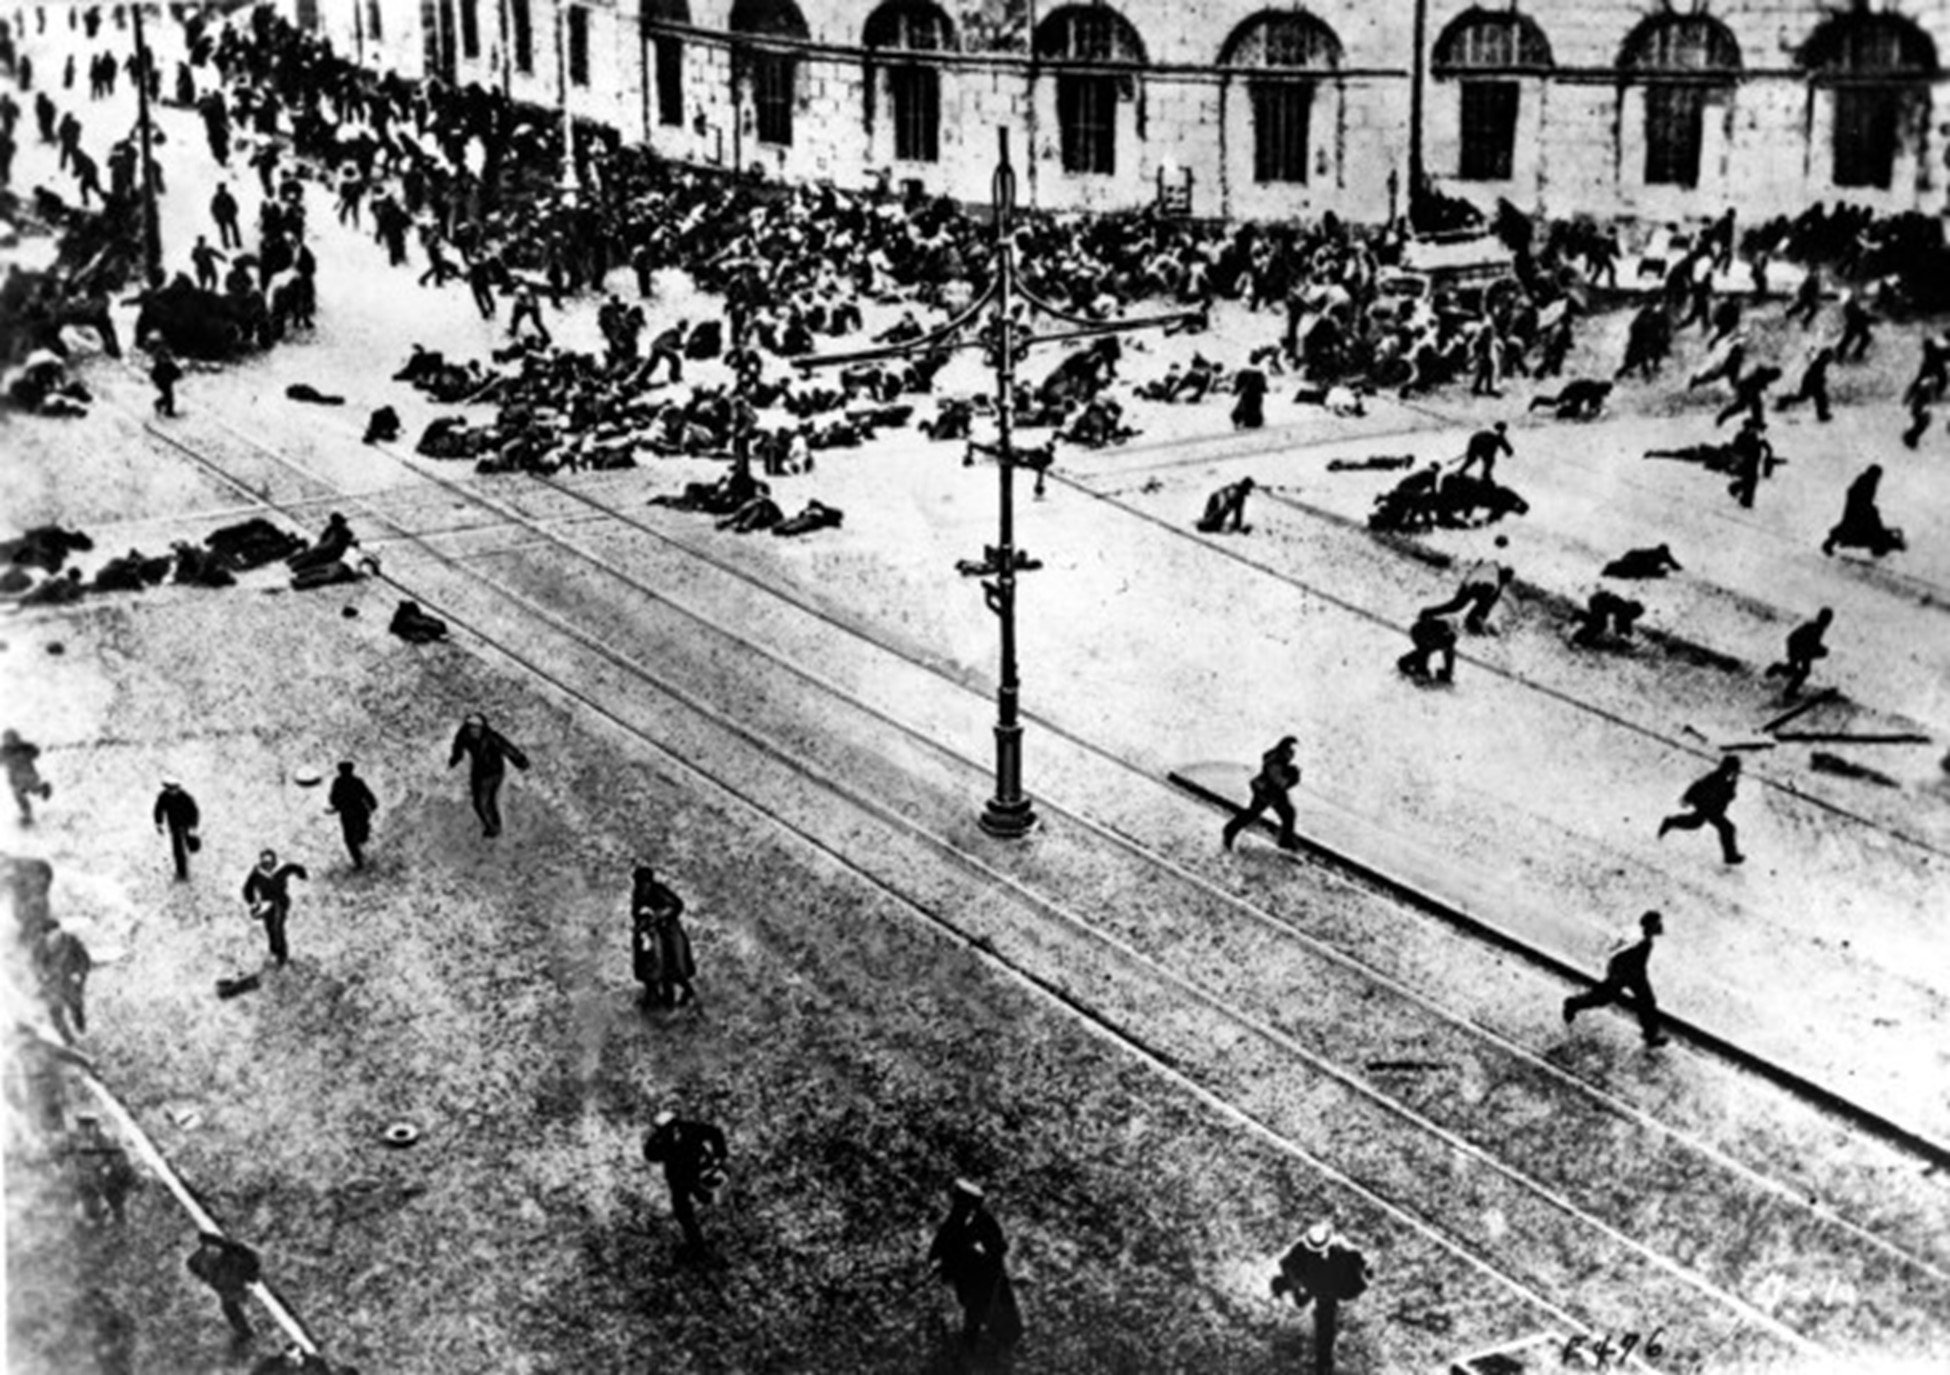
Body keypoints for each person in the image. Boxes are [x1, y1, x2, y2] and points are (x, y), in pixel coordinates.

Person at [928, 1179, 1024, 1356]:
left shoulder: (984, 1221)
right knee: (974, 1319)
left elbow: (999, 1248)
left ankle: (981, 1351)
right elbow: (935, 1253)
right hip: (968, 1284)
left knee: (1003, 1328)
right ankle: (969, 1353)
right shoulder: (952, 1224)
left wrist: (977, 1254)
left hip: (990, 1283)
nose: (961, 1207)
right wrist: (943, 1264)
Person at [1271, 1220, 1372, 1375]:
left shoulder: (1338, 1249)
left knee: (1326, 1319)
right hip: (1322, 1288)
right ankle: (1324, 1362)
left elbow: (1357, 1260)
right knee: (1325, 1320)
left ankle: (1324, 1362)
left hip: (1331, 1285)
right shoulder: (1298, 1257)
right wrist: (1298, 1286)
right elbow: (1300, 1296)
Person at [1564, 910, 1670, 1047]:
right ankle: (1573, 1004)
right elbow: (1619, 956)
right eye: (1657, 923)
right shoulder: (1641, 941)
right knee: (1605, 998)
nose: (1660, 926)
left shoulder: (1642, 938)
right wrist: (1616, 974)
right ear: (1650, 925)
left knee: (1646, 1002)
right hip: (1625, 974)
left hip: (1633, 974)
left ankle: (1650, 1035)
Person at [641, 1110, 728, 1255]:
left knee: (702, 1197)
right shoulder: (663, 1139)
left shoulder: (690, 1129)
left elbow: (714, 1133)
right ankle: (697, 1245)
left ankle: (714, 1219)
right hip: (679, 1177)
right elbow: (650, 1154)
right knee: (682, 1210)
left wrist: (719, 1155)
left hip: (696, 1171)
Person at [448, 713, 530, 838]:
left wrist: (521, 761)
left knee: (484, 802)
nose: (473, 731)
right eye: (471, 728)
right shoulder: (463, 735)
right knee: (478, 804)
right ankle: (493, 827)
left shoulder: (492, 737)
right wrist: (454, 760)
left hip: (494, 771)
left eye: (476, 728)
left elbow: (508, 749)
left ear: (482, 728)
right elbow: (457, 748)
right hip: (478, 772)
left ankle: (494, 829)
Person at [1657, 756, 1745, 865]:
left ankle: (1670, 822)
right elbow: (1698, 786)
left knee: (1697, 823)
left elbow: (1729, 796)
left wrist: (1733, 783)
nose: (1735, 772)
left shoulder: (1727, 779)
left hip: (1712, 808)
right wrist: (1687, 798)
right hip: (1707, 806)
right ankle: (1730, 856)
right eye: (1734, 769)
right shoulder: (1716, 777)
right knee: (1726, 828)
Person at [1222, 735, 1302, 853]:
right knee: (1256, 813)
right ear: (1284, 749)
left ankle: (1285, 840)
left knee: (1288, 814)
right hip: (1268, 793)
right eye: (1291, 751)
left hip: (1272, 792)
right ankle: (1230, 829)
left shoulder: (1279, 760)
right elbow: (1279, 782)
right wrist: (1293, 777)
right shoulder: (1276, 762)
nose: (1292, 754)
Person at [631, 864, 696, 1007]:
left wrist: (658, 915)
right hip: (650, 936)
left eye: (644, 882)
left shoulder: (658, 891)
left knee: (671, 969)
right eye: (640, 882)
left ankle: (678, 996)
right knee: (650, 968)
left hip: (668, 934)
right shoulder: (638, 893)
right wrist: (643, 922)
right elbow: (636, 913)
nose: (642, 886)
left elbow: (677, 905)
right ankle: (653, 999)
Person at [186, 1232, 260, 1353]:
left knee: (230, 1305)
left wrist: (250, 1278)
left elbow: (251, 1265)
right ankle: (245, 1334)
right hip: (227, 1285)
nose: (212, 1250)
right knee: (229, 1306)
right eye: (209, 1248)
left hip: (232, 1284)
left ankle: (246, 1333)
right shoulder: (200, 1260)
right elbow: (195, 1267)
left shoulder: (234, 1255)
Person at [1423, 537, 1513, 634]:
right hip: (1469, 586)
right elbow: (1473, 576)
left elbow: (1492, 601)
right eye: (1503, 580)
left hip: (1480, 589)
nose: (1502, 583)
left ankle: (1473, 621)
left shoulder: (1499, 583)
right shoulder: (1490, 569)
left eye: (1505, 582)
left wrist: (1482, 614)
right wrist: (1466, 588)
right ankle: (1427, 613)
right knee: (1456, 606)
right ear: (1501, 573)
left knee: (1489, 600)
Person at [242, 849, 309, 966]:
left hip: (280, 901)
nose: (267, 865)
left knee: (277, 926)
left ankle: (282, 955)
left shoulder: (282, 868)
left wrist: (302, 874)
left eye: (269, 862)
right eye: (265, 863)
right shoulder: (257, 872)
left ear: (274, 861)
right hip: (266, 904)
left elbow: (295, 868)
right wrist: (251, 901)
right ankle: (274, 951)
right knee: (270, 928)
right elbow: (248, 887)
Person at [1822, 465, 1905, 558]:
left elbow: (1852, 493)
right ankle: (1883, 550)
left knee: (1849, 528)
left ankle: (1828, 544)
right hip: (1860, 511)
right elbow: (1856, 495)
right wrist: (1868, 509)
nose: (1879, 479)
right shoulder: (1867, 482)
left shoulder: (1865, 480)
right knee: (1864, 531)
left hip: (1858, 510)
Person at [70, 1114, 139, 1225]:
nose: (85, 1130)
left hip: (115, 1181)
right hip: (101, 1185)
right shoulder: (80, 1146)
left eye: (88, 1126)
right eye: (82, 1126)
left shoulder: (106, 1143)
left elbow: (119, 1164)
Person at [35, 920, 92, 1042]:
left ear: (59, 930)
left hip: (70, 979)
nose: (53, 936)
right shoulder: (41, 946)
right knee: (55, 1012)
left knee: (76, 1007)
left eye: (55, 932)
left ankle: (81, 1030)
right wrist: (43, 975)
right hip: (53, 983)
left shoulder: (71, 941)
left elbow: (84, 958)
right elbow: (38, 964)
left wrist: (79, 973)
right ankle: (67, 1040)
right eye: (49, 934)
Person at [1765, 608, 1833, 699]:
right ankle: (1789, 690)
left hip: (1800, 648)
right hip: (1798, 648)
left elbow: (1810, 644)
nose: (1827, 623)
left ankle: (1782, 677)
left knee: (1797, 670)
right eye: (1827, 620)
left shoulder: (1815, 627)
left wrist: (1819, 650)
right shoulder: (1816, 628)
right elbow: (1807, 643)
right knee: (1801, 670)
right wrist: (1821, 651)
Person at [325, 761, 379, 868]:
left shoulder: (338, 782)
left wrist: (337, 805)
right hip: (359, 812)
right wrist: (372, 805)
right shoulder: (356, 781)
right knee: (355, 837)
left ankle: (359, 859)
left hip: (349, 813)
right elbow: (367, 795)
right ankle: (359, 859)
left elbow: (332, 798)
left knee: (350, 839)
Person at [154, 777, 201, 880]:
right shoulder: (163, 797)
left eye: (174, 788)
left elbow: (194, 811)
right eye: (169, 788)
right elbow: (158, 810)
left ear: (178, 788)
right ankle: (182, 872)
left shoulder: (185, 797)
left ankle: (194, 845)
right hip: (174, 826)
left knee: (191, 843)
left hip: (186, 824)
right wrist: (159, 823)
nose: (172, 791)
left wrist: (193, 826)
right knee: (178, 850)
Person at [3, 727, 53, 823]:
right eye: (10, 740)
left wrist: (30, 750)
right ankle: (27, 814)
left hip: (28, 775)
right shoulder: (4, 751)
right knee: (19, 795)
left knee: (33, 790)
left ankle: (43, 789)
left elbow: (36, 752)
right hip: (16, 779)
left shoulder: (24, 748)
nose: (13, 743)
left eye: (14, 739)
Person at [1397, 608, 1458, 683]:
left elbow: (1449, 653)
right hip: (1419, 633)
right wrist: (1421, 669)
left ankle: (1409, 664)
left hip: (1431, 637)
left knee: (1431, 647)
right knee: (1426, 648)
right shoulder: (1435, 627)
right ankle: (1413, 667)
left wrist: (1448, 672)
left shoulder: (1450, 637)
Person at [1601, 544, 1682, 579]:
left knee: (1625, 571)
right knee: (1622, 570)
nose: (1662, 555)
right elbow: (1646, 570)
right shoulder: (1652, 554)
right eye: (1660, 553)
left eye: (1663, 553)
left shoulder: (1665, 556)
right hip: (1634, 560)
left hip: (1636, 563)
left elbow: (1675, 565)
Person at [149, 339, 183, 417]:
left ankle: (161, 405)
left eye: (166, 358)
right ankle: (167, 410)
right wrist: (155, 379)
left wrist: (178, 374)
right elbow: (153, 374)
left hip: (168, 382)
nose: (165, 360)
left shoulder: (169, 364)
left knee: (169, 397)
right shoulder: (159, 366)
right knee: (169, 397)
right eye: (163, 358)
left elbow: (176, 370)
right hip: (161, 383)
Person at [210, 181, 242, 249]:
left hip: (229, 216)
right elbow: (213, 209)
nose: (222, 190)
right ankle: (228, 244)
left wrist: (234, 213)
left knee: (233, 230)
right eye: (221, 188)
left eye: (223, 188)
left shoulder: (227, 196)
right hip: (223, 218)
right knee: (225, 232)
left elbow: (234, 205)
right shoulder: (217, 198)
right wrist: (216, 217)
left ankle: (236, 243)